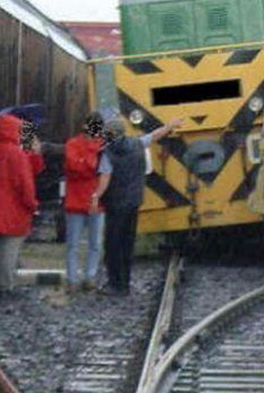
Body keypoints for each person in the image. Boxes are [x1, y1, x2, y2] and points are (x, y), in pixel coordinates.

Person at [100, 116, 182, 295]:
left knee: (113, 245)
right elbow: (154, 136)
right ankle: (125, 283)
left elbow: (105, 179)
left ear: (111, 134)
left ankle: (115, 284)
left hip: (115, 204)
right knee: (127, 244)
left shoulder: (108, 153)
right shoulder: (137, 144)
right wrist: (169, 126)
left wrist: (95, 196)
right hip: (134, 202)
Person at [0, 114, 39, 300]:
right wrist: (32, 204)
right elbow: (25, 184)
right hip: (12, 209)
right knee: (10, 247)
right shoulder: (18, 154)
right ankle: (5, 284)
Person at [63, 112, 109, 293]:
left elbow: (81, 167)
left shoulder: (74, 145)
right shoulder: (76, 144)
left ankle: (85, 278)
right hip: (87, 200)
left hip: (87, 200)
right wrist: (92, 156)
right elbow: (79, 167)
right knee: (79, 244)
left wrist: (86, 161)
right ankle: (76, 279)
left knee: (90, 244)